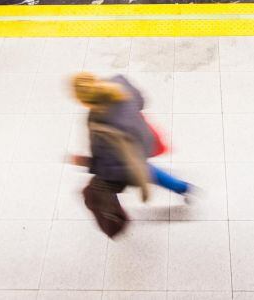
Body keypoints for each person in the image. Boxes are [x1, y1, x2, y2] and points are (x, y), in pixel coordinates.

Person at [69, 72, 191, 237]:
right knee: (147, 169)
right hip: (143, 140)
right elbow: (141, 101)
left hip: (126, 158)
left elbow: (107, 164)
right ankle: (183, 188)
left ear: (83, 101)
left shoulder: (99, 124)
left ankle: (118, 219)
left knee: (139, 172)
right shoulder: (119, 81)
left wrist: (85, 162)